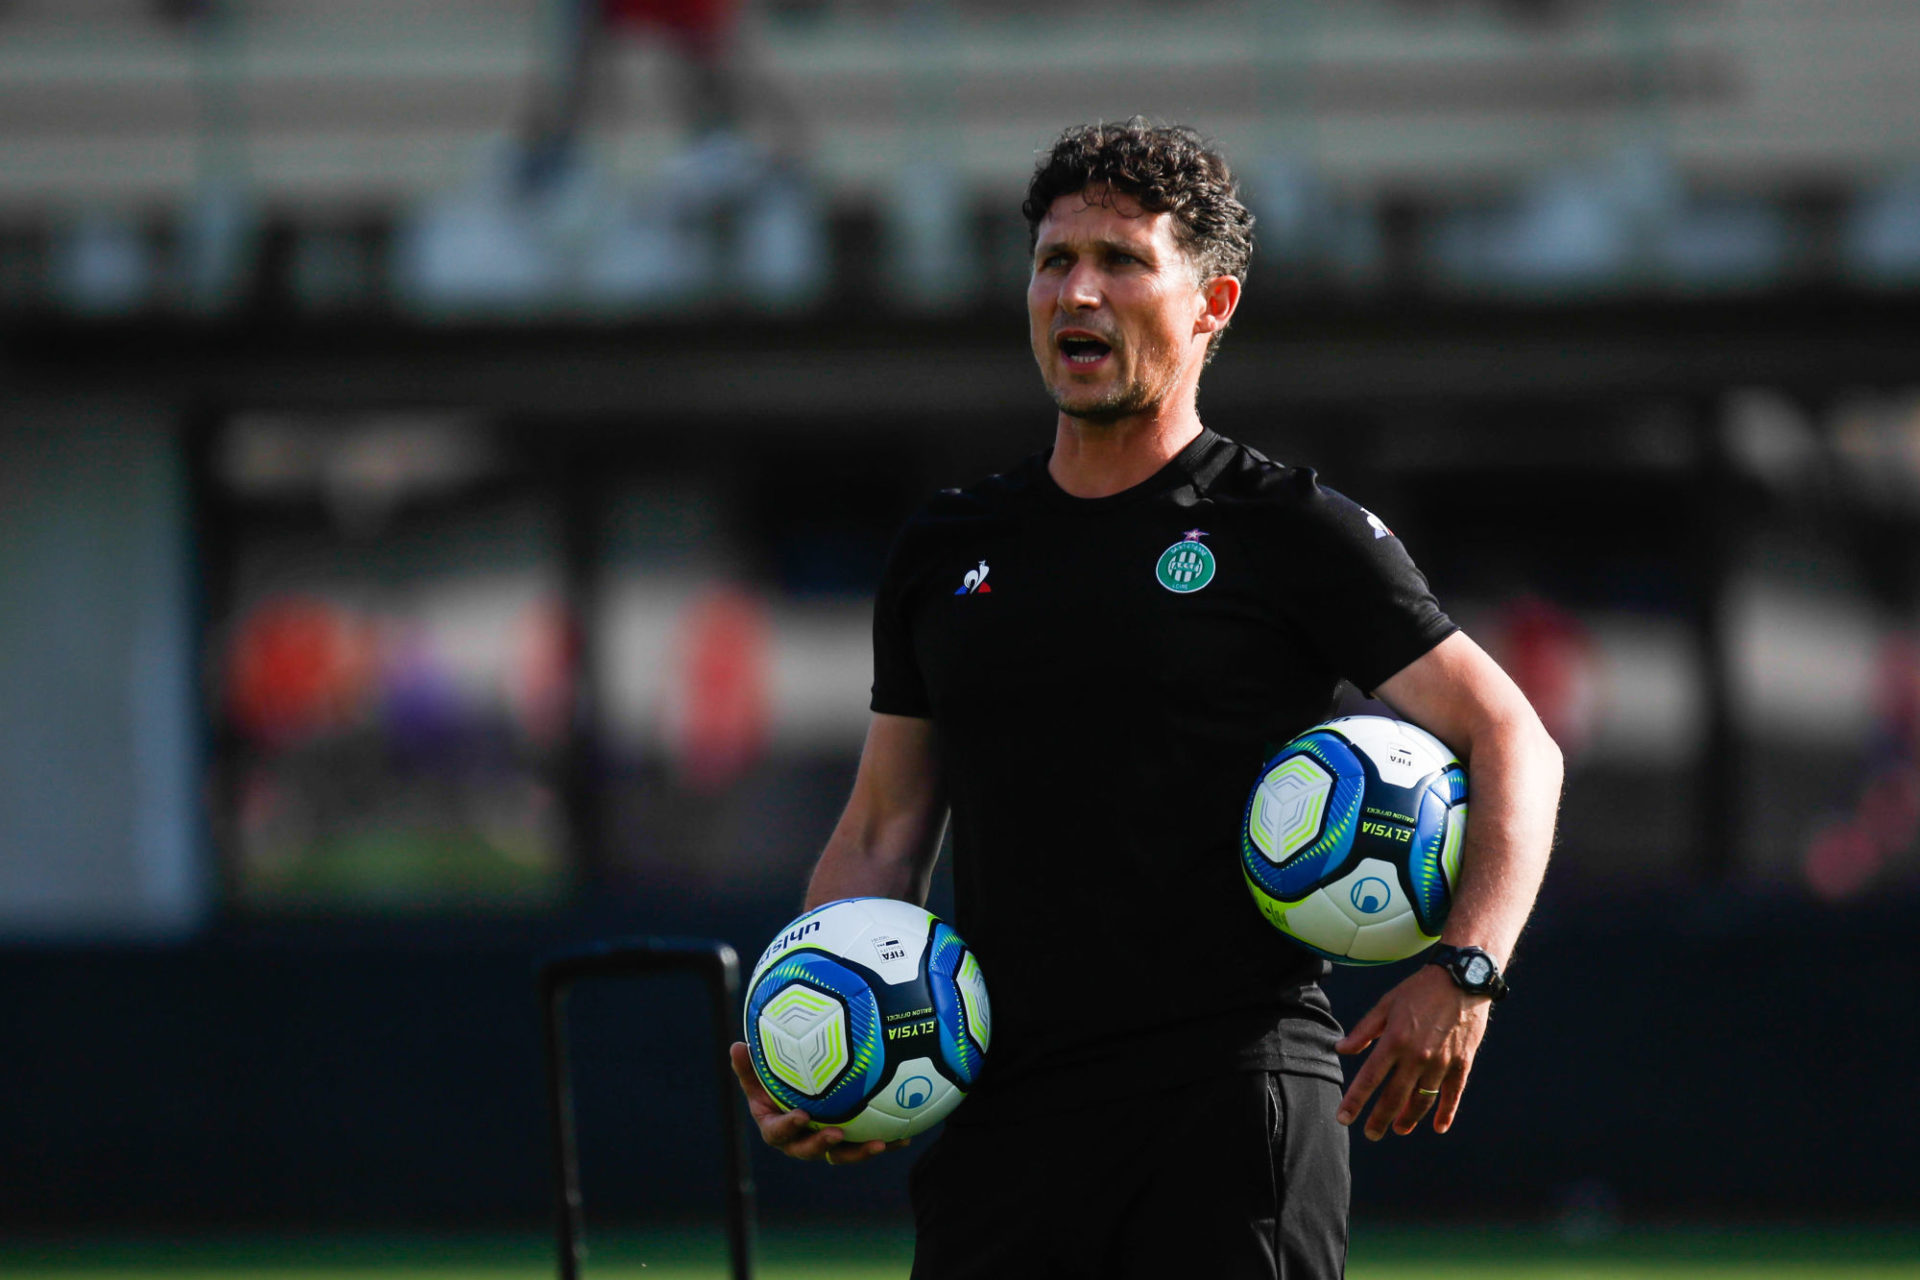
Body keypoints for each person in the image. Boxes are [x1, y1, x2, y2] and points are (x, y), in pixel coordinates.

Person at [729, 120, 1563, 1279]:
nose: (1078, 290)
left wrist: (1465, 968)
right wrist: (812, 1042)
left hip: (1229, 1101)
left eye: (1121, 261)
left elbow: (1511, 734)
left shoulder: (1290, 529)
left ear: (1211, 303)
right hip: (1005, 1118)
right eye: (1053, 260)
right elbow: (882, 830)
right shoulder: (948, 545)